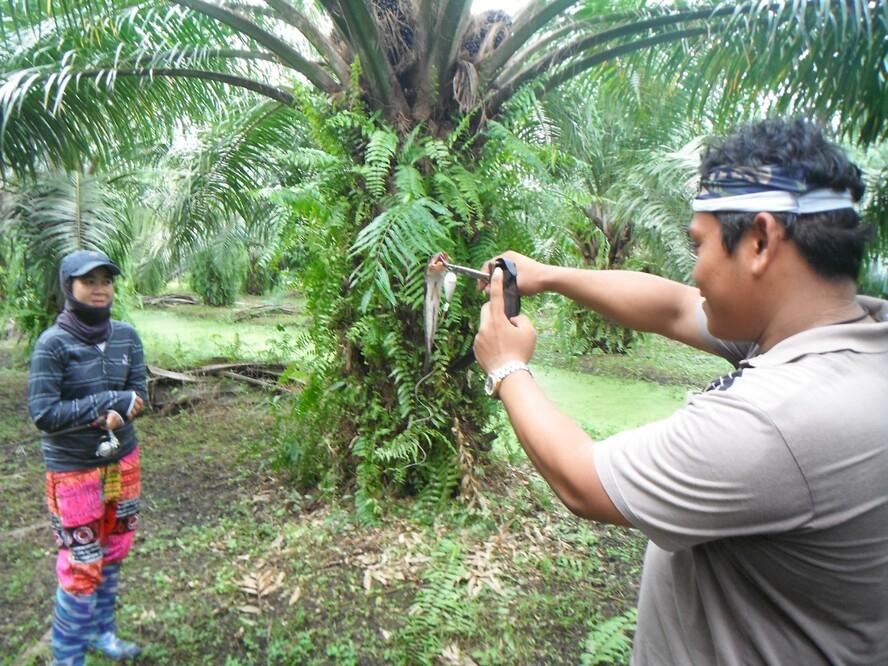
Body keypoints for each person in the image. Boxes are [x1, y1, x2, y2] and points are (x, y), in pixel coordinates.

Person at [471, 118, 888, 664]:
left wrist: (506, 367)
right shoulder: (847, 339)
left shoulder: (778, 418)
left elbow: (583, 481)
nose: (694, 272)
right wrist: (547, 274)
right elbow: (671, 307)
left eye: (699, 245)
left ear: (760, 241)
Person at [28, 249, 147, 665]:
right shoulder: (53, 344)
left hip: (122, 462)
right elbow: (44, 414)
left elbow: (139, 394)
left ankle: (103, 633)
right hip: (73, 471)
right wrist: (107, 402)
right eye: (89, 281)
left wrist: (124, 409)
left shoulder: (127, 336)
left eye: (106, 280)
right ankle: (67, 657)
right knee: (82, 562)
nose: (100, 289)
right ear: (69, 287)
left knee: (114, 550)